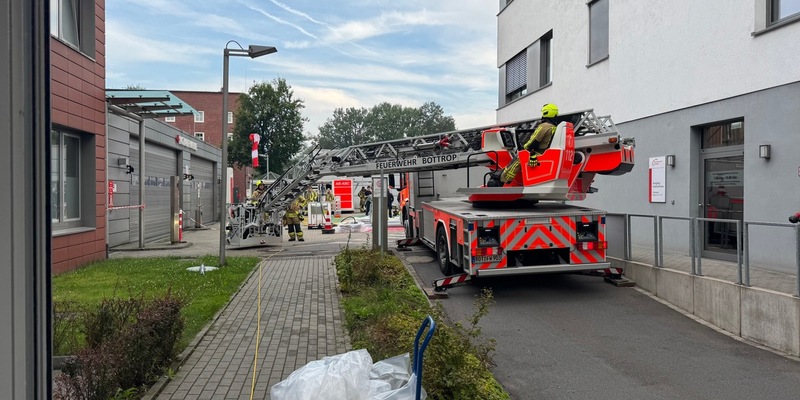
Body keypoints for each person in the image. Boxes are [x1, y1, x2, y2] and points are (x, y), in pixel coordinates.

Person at [499, 103, 559, 184]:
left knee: (519, 158)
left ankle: (504, 179)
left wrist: (525, 148)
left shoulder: (544, 126)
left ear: (545, 112)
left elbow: (533, 142)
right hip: (545, 152)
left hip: (538, 153)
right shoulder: (554, 127)